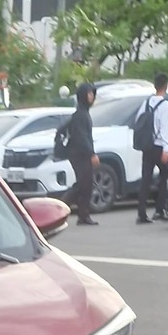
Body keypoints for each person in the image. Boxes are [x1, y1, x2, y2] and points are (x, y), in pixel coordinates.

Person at [136, 69, 168, 223]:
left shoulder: (146, 102)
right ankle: (160, 209)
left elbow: (138, 121)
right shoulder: (165, 105)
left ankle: (141, 213)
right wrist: (166, 149)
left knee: (146, 179)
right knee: (165, 175)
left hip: (147, 146)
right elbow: (165, 128)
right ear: (166, 86)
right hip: (158, 146)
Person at [66, 80, 100, 226]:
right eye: (88, 93)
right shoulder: (80, 114)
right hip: (79, 154)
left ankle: (83, 215)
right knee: (82, 185)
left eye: (92, 93)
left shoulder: (84, 112)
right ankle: (60, 206)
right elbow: (82, 137)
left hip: (82, 153)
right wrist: (92, 154)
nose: (91, 96)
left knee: (86, 185)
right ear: (82, 95)